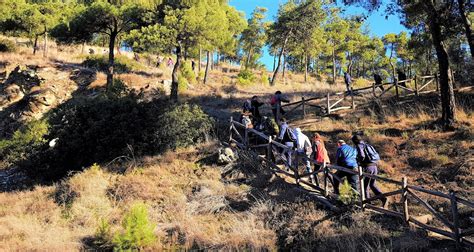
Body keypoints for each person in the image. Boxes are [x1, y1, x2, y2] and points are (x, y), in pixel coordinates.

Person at [352, 134, 388, 208]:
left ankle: (367, 204)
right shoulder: (367, 144)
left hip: (368, 167)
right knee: (372, 184)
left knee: (365, 186)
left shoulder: (359, 145)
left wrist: (359, 162)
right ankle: (383, 199)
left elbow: (362, 156)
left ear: (355, 141)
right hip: (374, 166)